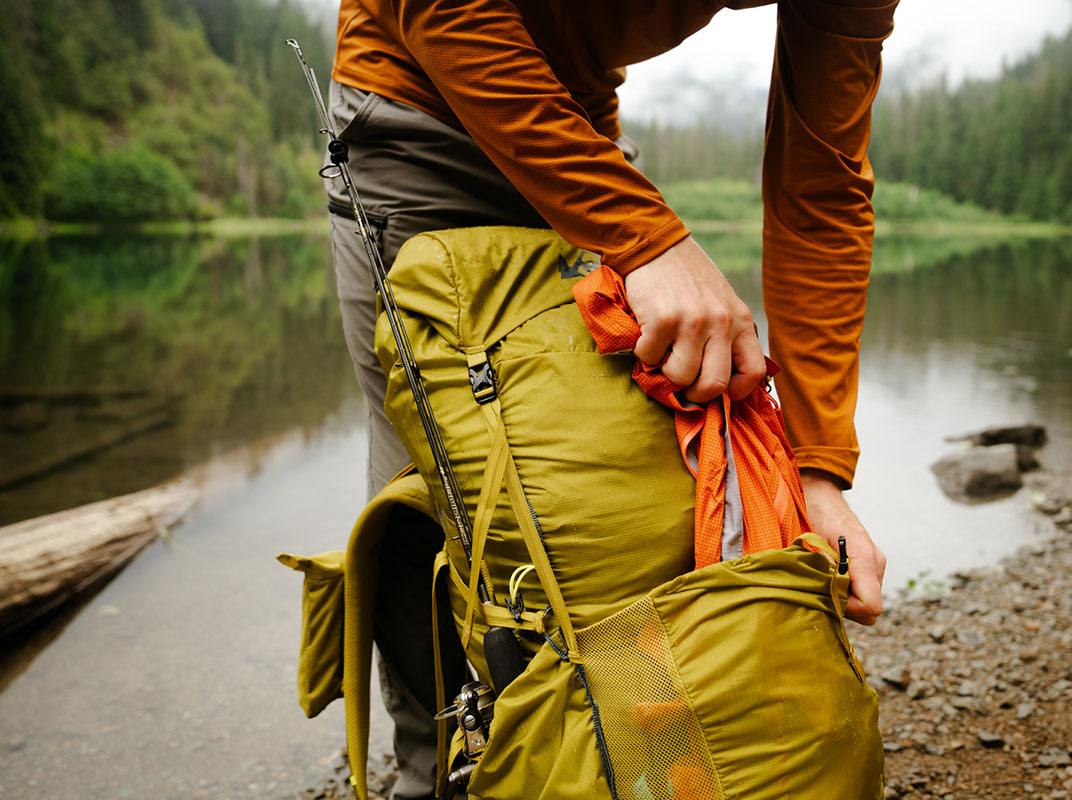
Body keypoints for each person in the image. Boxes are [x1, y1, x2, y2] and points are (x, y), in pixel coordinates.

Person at [324, 2, 896, 797]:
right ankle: (433, 775)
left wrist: (817, 466)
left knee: (618, 516)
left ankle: (612, 768)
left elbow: (822, 186)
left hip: (580, 130)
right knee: (432, 500)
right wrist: (647, 237)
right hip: (421, 109)